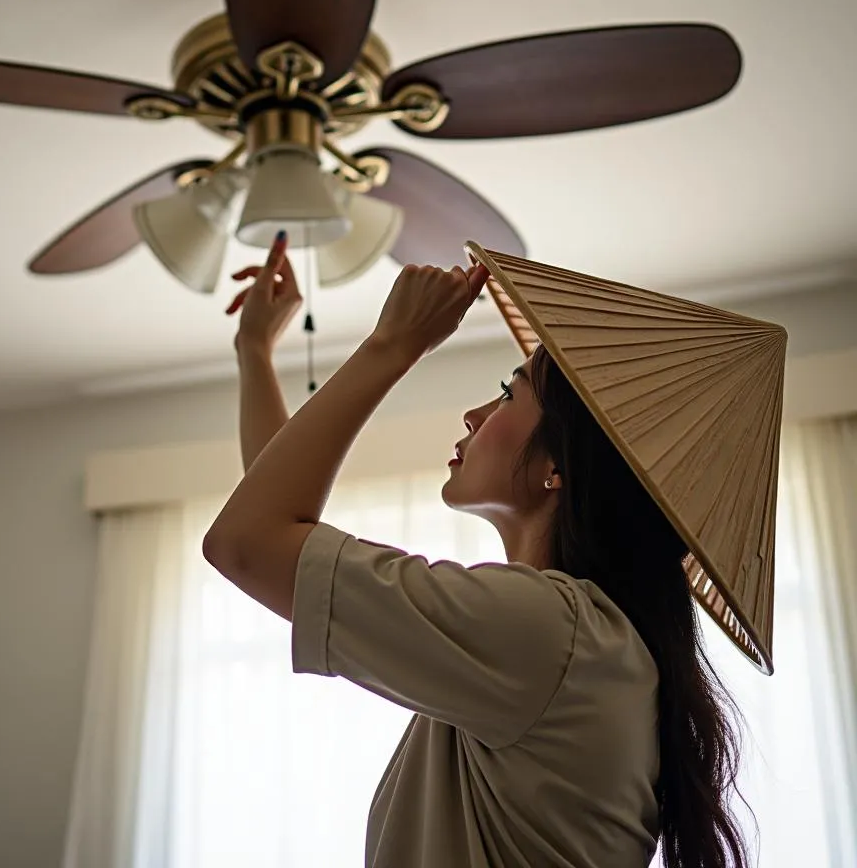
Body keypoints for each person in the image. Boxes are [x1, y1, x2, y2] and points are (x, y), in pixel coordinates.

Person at [204, 232, 751, 868]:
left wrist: (395, 345)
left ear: (560, 464)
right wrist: (255, 355)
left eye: (508, 391)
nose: (474, 413)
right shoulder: (566, 642)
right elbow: (277, 531)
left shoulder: (550, 633)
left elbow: (251, 541)